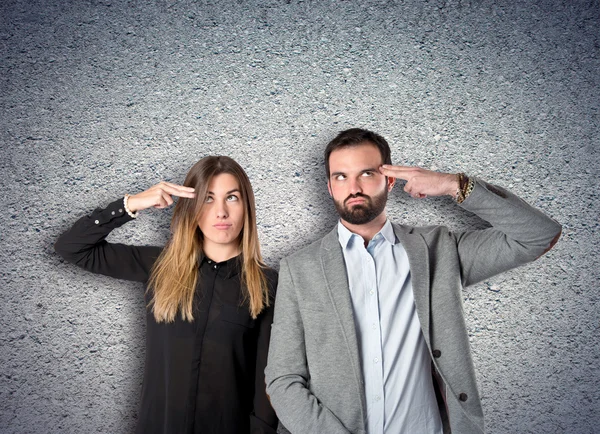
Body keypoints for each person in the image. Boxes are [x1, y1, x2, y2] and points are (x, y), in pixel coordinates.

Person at [265, 128, 561, 434]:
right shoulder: (299, 268)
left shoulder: (438, 250)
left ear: (390, 180)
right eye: (341, 176)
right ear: (329, 186)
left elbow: (538, 235)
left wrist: (454, 185)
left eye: (366, 174)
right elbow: (283, 379)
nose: (353, 187)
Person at [55, 156, 278, 434]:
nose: (221, 212)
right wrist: (131, 204)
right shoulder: (157, 265)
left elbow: (268, 379)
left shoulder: (268, 284)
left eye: (231, 197)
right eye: (208, 198)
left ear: (246, 207)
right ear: (192, 207)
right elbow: (71, 247)